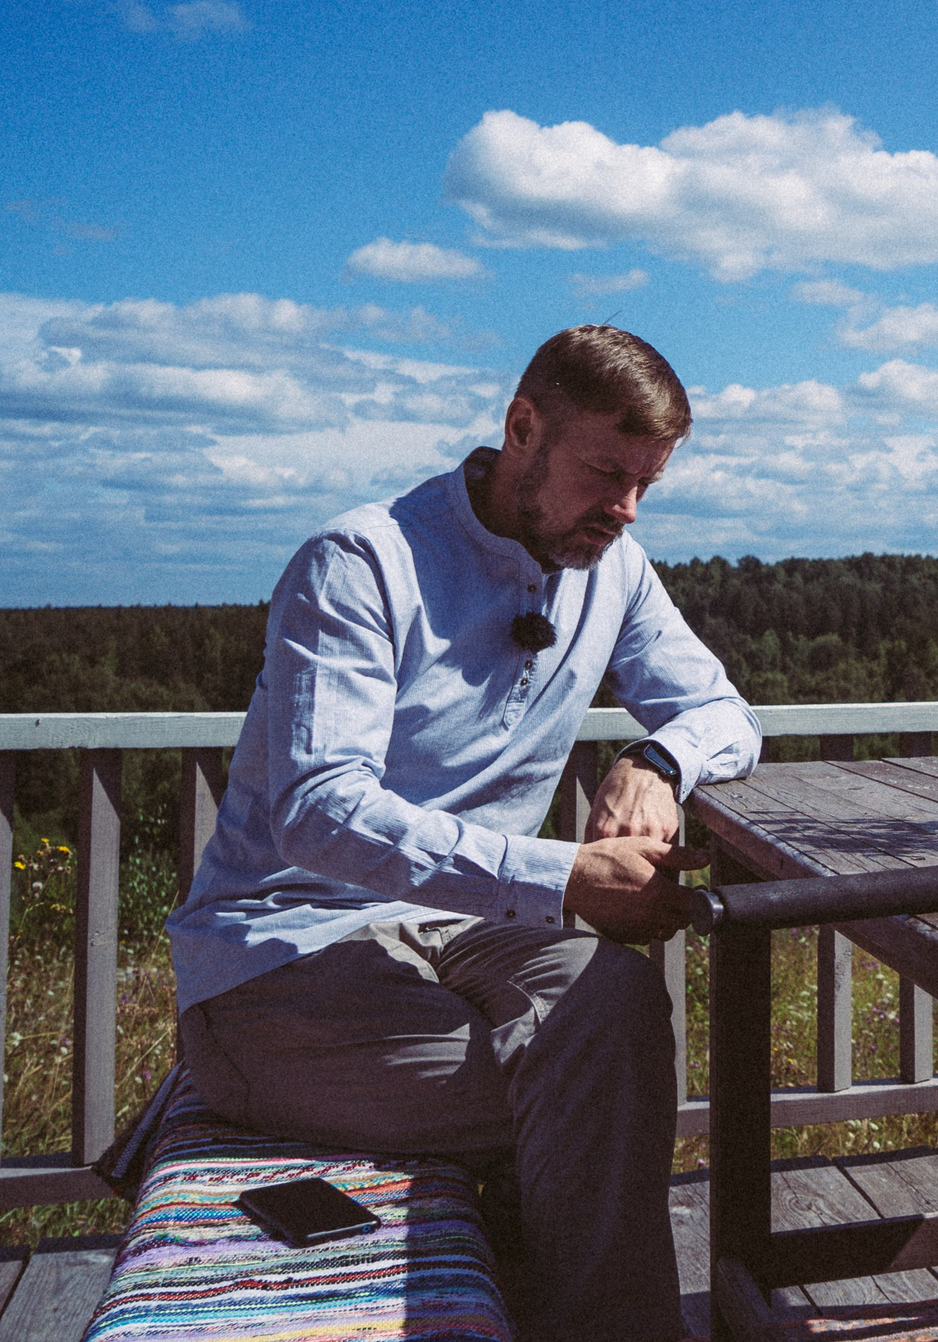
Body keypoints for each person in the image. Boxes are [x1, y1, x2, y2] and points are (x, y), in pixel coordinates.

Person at [167, 325, 759, 1342]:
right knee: (597, 1088)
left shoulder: (612, 567)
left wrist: (661, 760)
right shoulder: (361, 561)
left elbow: (726, 713)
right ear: (521, 427)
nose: (624, 508)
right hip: (281, 956)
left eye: (646, 484)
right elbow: (321, 807)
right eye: (606, 472)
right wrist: (565, 874)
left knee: (611, 1000)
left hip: (459, 931)